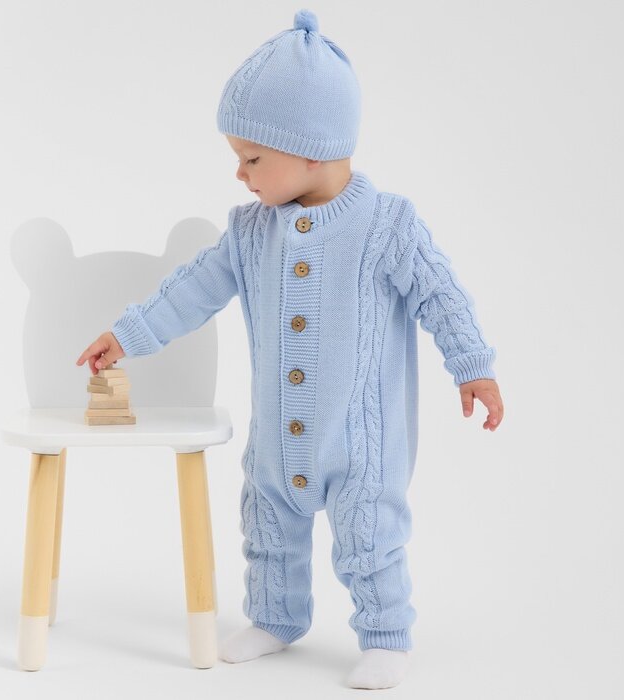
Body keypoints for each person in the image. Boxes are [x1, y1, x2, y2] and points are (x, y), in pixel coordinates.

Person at [76, 8, 504, 690]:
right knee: (268, 528)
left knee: (370, 535)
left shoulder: (386, 225)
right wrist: (127, 334)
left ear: (311, 149)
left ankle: (385, 634)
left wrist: (472, 367)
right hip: (279, 437)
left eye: (253, 159)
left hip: (360, 442)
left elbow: (441, 295)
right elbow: (192, 289)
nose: (240, 174)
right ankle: (276, 618)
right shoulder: (251, 233)